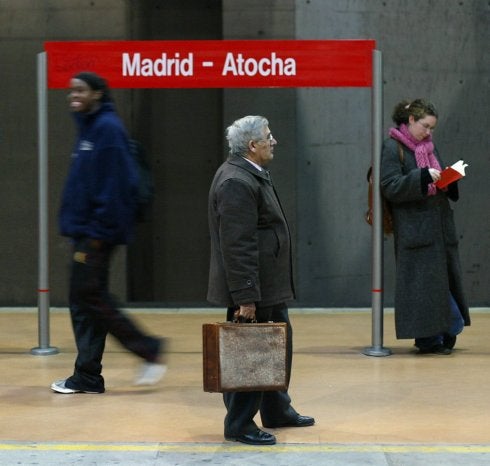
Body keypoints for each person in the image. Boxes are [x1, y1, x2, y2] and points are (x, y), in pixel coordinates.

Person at [51, 72, 166, 394]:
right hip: (85, 232)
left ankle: (148, 349)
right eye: (70, 89)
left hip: (97, 234)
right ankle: (87, 375)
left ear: (98, 93)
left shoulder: (107, 130)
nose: (73, 95)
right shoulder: (89, 128)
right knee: (84, 300)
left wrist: (98, 234)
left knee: (91, 297)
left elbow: (117, 188)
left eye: (81, 90)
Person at [207, 115, 314, 445]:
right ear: (253, 145)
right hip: (254, 288)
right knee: (251, 355)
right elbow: (237, 246)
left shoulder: (249, 174)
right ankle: (238, 423)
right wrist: (246, 298)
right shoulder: (236, 182)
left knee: (276, 348)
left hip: (267, 286)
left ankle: (276, 409)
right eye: (269, 136)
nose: (274, 141)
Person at [380, 99, 470, 355]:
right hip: (415, 230)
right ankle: (432, 337)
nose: (429, 132)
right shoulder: (392, 147)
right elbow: (390, 186)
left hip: (438, 228)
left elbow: (437, 179)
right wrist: (421, 176)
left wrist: (450, 178)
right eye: (425, 126)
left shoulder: (428, 147)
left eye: (432, 128)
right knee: (424, 288)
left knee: (439, 286)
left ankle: (440, 334)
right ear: (410, 121)